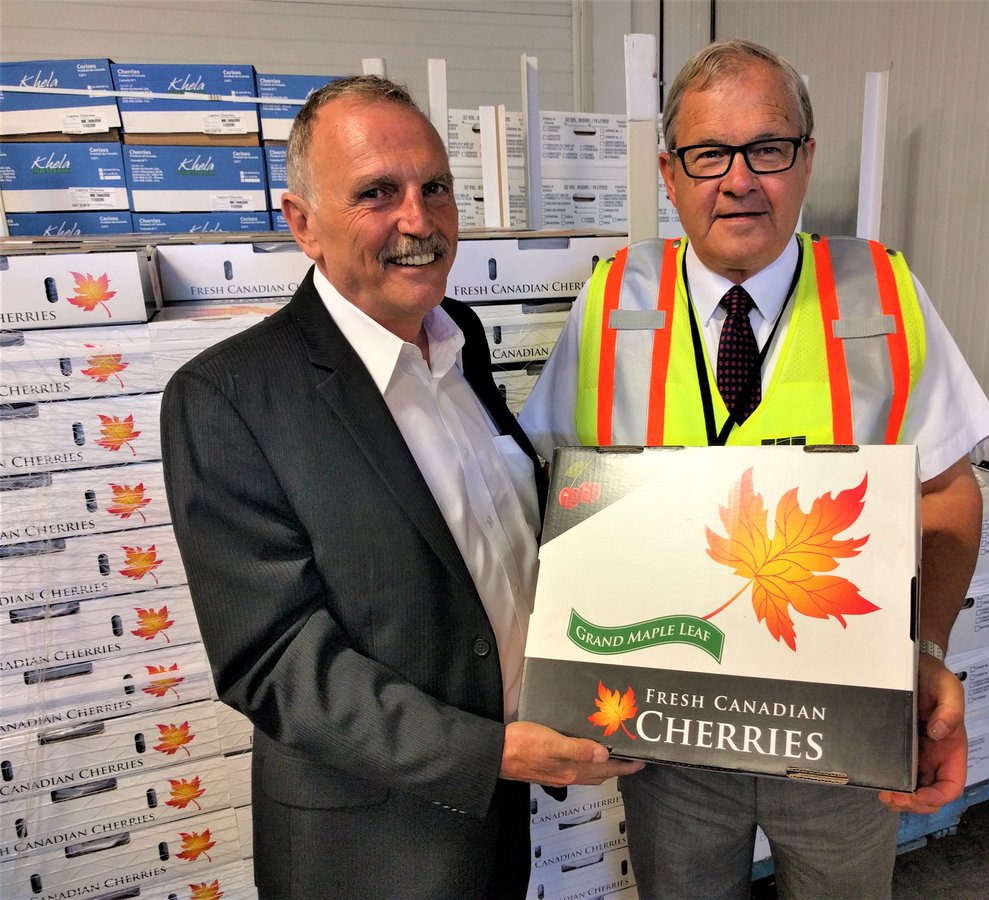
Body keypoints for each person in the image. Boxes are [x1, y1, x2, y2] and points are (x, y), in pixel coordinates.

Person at [518, 40, 989, 899]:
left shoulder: (884, 293)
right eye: (709, 154)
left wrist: (927, 648)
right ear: (669, 173)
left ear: (806, 159)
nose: (738, 180)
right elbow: (549, 494)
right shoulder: (612, 299)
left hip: (841, 733)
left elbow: (948, 494)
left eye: (768, 149)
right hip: (667, 734)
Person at [160, 75, 641, 900]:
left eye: (436, 188)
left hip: (496, 820)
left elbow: (491, 548)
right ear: (303, 224)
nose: (419, 221)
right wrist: (489, 754)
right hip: (369, 850)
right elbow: (274, 661)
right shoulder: (228, 397)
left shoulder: (461, 339)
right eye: (377, 193)